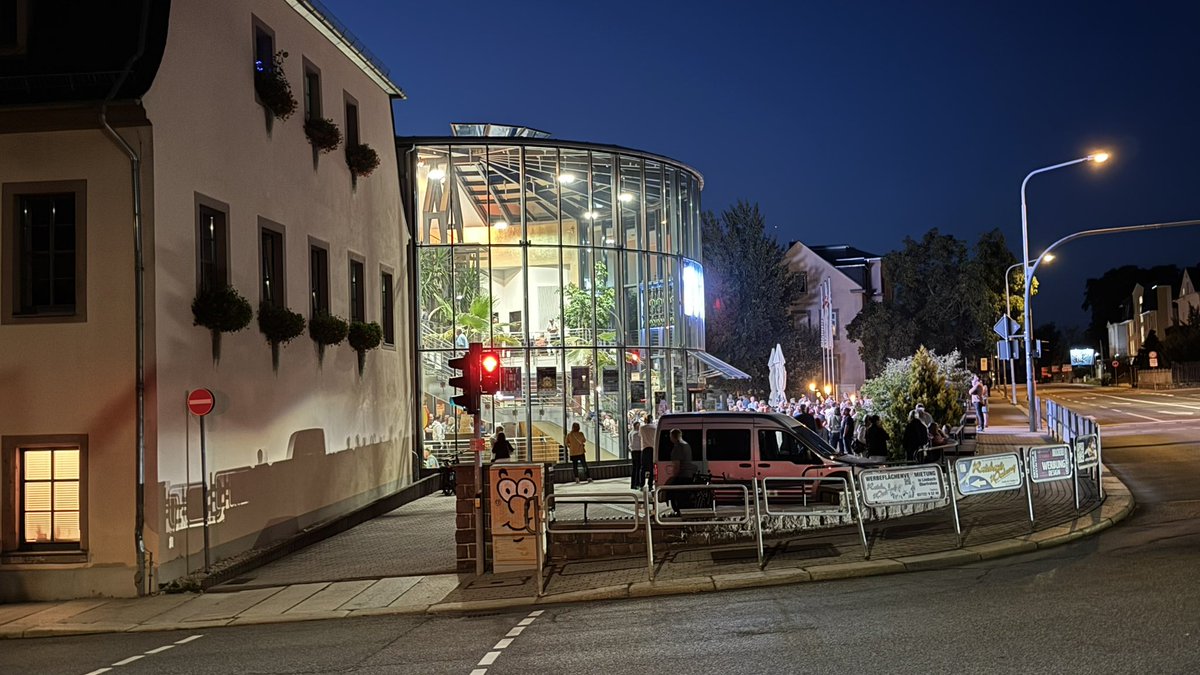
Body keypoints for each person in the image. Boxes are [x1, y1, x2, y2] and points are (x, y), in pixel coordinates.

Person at [666, 428, 697, 515]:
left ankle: (680, 513)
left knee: (678, 496)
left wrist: (674, 477)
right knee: (686, 497)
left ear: (673, 436)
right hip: (689, 475)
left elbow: (677, 465)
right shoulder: (687, 445)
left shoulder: (678, 447)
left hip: (681, 475)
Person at [639, 413, 658, 486]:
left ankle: (642, 484)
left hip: (645, 448)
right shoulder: (655, 427)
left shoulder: (642, 428)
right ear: (652, 419)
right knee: (652, 467)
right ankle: (650, 484)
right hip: (653, 448)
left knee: (643, 467)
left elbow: (640, 435)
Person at [628, 420, 643, 489]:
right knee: (638, 467)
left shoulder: (631, 433)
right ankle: (637, 483)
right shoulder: (637, 433)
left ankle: (634, 484)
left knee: (635, 467)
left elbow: (630, 443)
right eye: (638, 425)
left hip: (633, 451)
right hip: (638, 450)